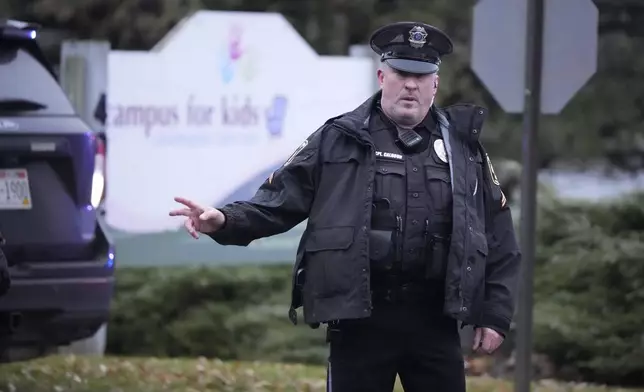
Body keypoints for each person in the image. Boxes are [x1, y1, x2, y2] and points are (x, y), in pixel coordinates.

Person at [170, 21, 521, 392]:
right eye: (401, 73)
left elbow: (499, 234)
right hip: (360, 318)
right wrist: (224, 220)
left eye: (422, 76)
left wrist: (495, 314)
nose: (411, 85)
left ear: (435, 84)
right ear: (382, 75)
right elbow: (277, 201)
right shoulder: (339, 138)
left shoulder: (463, 149)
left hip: (435, 320)